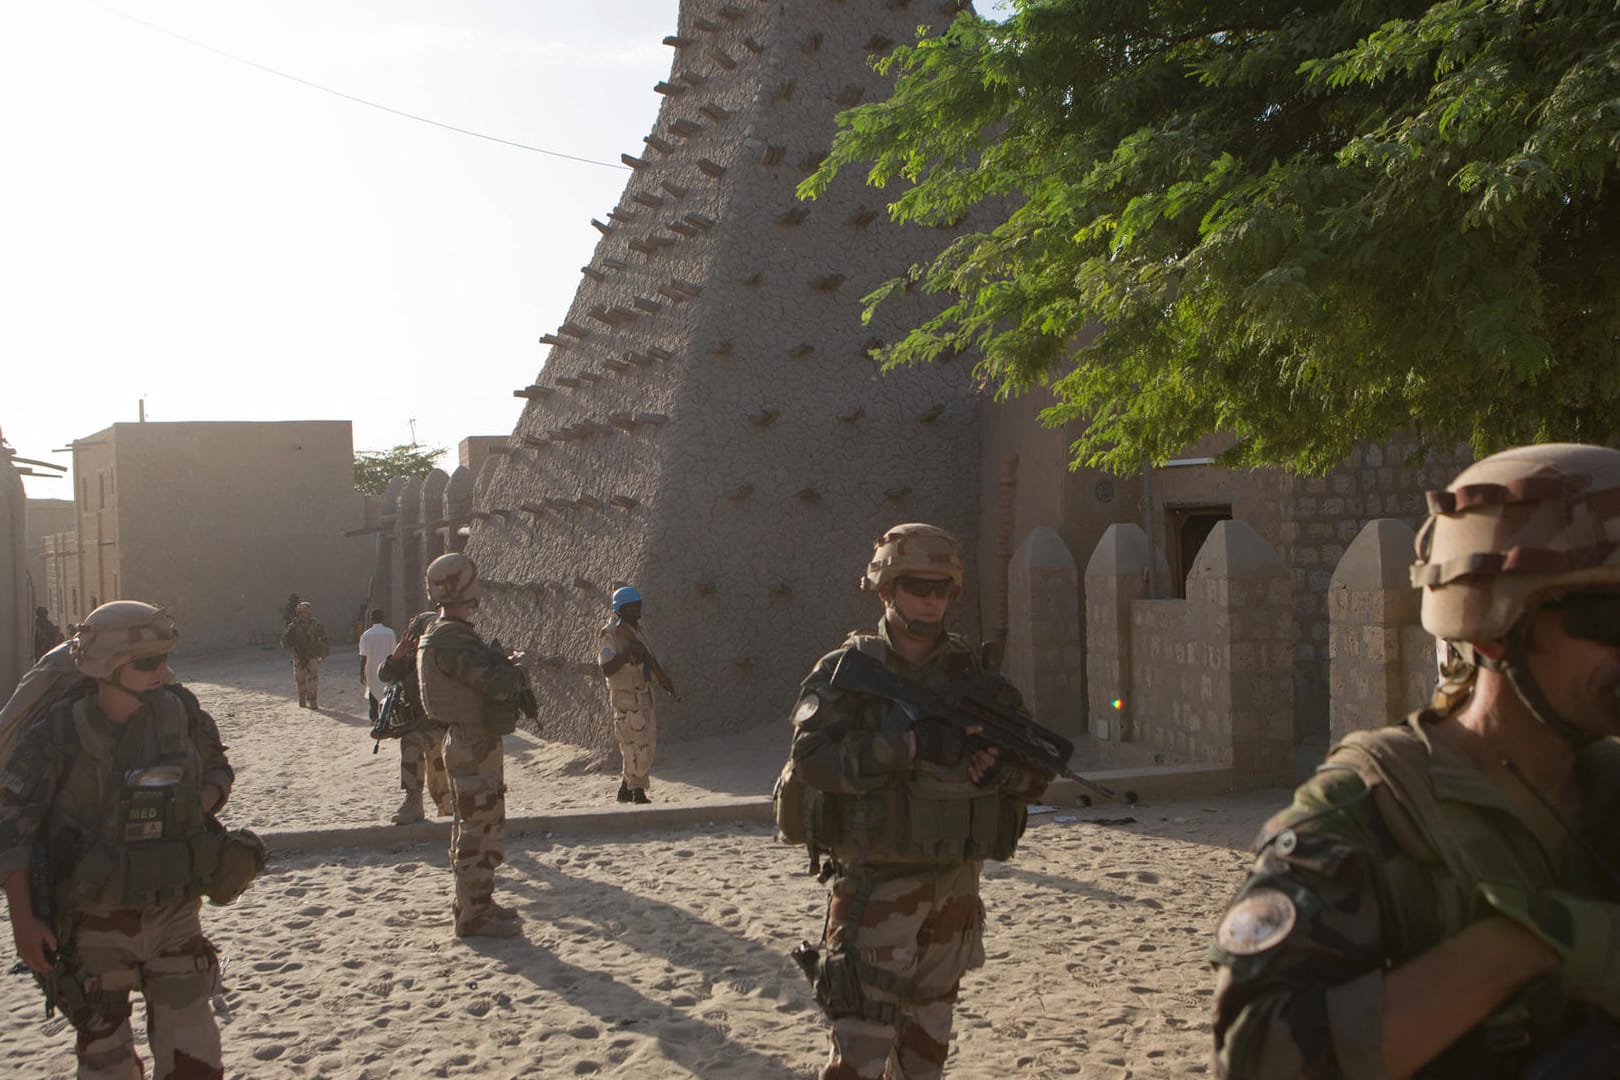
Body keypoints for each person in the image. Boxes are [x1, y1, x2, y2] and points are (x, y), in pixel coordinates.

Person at [1210, 443, 1620, 1078]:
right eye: (1608, 616)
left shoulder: (1605, 785)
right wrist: (1526, 947)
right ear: (1492, 625)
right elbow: (1258, 1055)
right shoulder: (1370, 812)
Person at [780, 522, 1052, 1079]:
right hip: (875, 891)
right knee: (857, 1055)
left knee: (926, 1059)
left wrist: (1002, 771)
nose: (930, 601)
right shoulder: (848, 673)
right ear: (885, 590)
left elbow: (1034, 776)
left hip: (954, 892)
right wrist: (904, 746)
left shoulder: (974, 679)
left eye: (941, 590)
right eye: (916, 587)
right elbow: (809, 760)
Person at [0, 601, 247, 1079]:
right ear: (106, 666)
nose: (163, 671)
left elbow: (218, 767)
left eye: (163, 658)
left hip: (174, 914)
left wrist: (199, 802)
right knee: (105, 1060)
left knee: (196, 1059)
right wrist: (24, 920)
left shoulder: (182, 712)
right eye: (147, 662)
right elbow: (13, 828)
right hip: (92, 926)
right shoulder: (57, 735)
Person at [417, 553, 528, 938]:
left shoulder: (447, 632)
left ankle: (477, 902)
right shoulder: (451, 638)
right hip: (472, 742)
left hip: (470, 740)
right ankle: (473, 915)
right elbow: (492, 684)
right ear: (465, 586)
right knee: (477, 828)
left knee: (477, 822)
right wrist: (513, 671)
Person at [598, 586, 676, 804]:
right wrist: (626, 655)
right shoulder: (611, 634)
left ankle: (626, 787)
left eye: (638, 605)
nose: (637, 609)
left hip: (643, 694)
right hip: (626, 698)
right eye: (632, 606)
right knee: (636, 745)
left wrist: (663, 680)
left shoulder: (635, 630)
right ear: (620, 609)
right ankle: (637, 791)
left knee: (645, 743)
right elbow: (606, 668)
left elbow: (647, 658)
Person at [379, 609, 452, 826]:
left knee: (441, 781)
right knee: (410, 743)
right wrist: (396, 657)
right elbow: (384, 676)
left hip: (443, 727)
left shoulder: (445, 657)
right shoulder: (408, 661)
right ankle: (413, 802)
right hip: (418, 726)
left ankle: (448, 811)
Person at [279, 600, 329, 709]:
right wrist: (293, 650)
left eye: (305, 612)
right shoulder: (293, 626)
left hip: (312, 655)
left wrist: (323, 653)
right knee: (300, 679)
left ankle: (313, 700)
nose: (303, 615)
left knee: (313, 678)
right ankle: (302, 698)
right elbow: (284, 640)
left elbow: (324, 639)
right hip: (299, 656)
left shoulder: (316, 625)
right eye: (301, 613)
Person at [357, 609, 397, 722]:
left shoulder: (366, 635)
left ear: (371, 619)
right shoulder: (390, 633)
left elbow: (363, 655)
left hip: (371, 667)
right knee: (387, 689)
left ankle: (374, 716)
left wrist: (361, 672)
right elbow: (393, 652)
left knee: (373, 690)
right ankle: (386, 715)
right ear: (383, 618)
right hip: (387, 666)